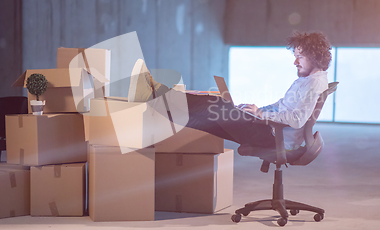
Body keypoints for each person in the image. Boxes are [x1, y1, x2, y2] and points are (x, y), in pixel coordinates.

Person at [128, 31, 332, 159]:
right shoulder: (308, 80)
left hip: (272, 137)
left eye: (300, 57)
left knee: (214, 103)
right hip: (269, 130)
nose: (295, 62)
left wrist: (261, 114)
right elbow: (283, 105)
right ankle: (159, 98)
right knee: (206, 119)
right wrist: (257, 111)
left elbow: (296, 120)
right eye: (295, 56)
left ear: (314, 56)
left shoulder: (314, 83)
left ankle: (157, 95)